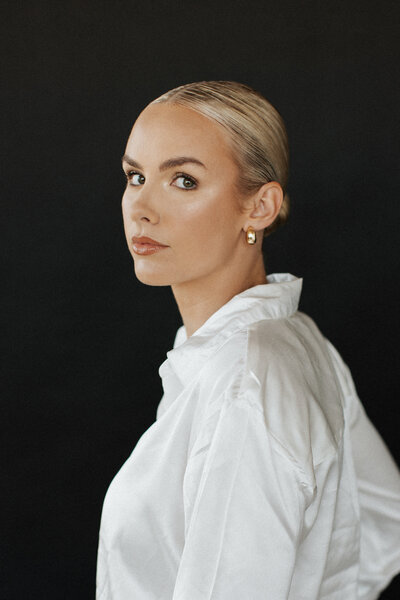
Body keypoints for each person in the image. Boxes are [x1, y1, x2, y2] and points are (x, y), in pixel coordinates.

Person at [96, 81, 400, 599]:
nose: (140, 207)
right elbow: (385, 523)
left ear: (259, 207)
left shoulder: (243, 381)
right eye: (136, 176)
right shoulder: (295, 342)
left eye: (184, 180)